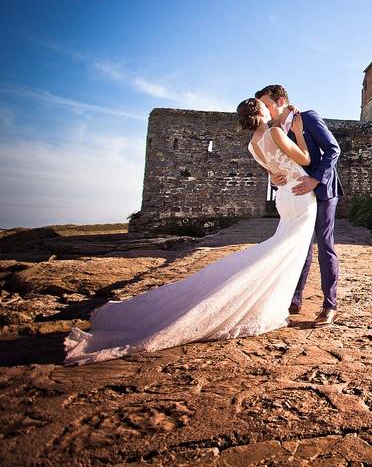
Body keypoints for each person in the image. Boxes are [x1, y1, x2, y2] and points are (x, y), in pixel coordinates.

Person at [62, 97, 317, 365]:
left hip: (284, 196)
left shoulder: (253, 145)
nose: (269, 107)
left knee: (282, 247)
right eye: (264, 106)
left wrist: (276, 174)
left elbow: (272, 173)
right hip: (300, 195)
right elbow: (306, 158)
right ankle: (269, 304)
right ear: (260, 111)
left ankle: (272, 301)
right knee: (288, 249)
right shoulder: (276, 132)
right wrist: (298, 131)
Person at [255, 84, 342, 325]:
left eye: (267, 105)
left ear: (281, 101)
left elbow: (333, 149)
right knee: (298, 244)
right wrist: (273, 178)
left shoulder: (308, 117)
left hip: (323, 191)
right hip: (297, 195)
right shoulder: (273, 131)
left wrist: (315, 179)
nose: (265, 111)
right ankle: (294, 298)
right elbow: (276, 164)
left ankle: (329, 305)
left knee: (325, 245)